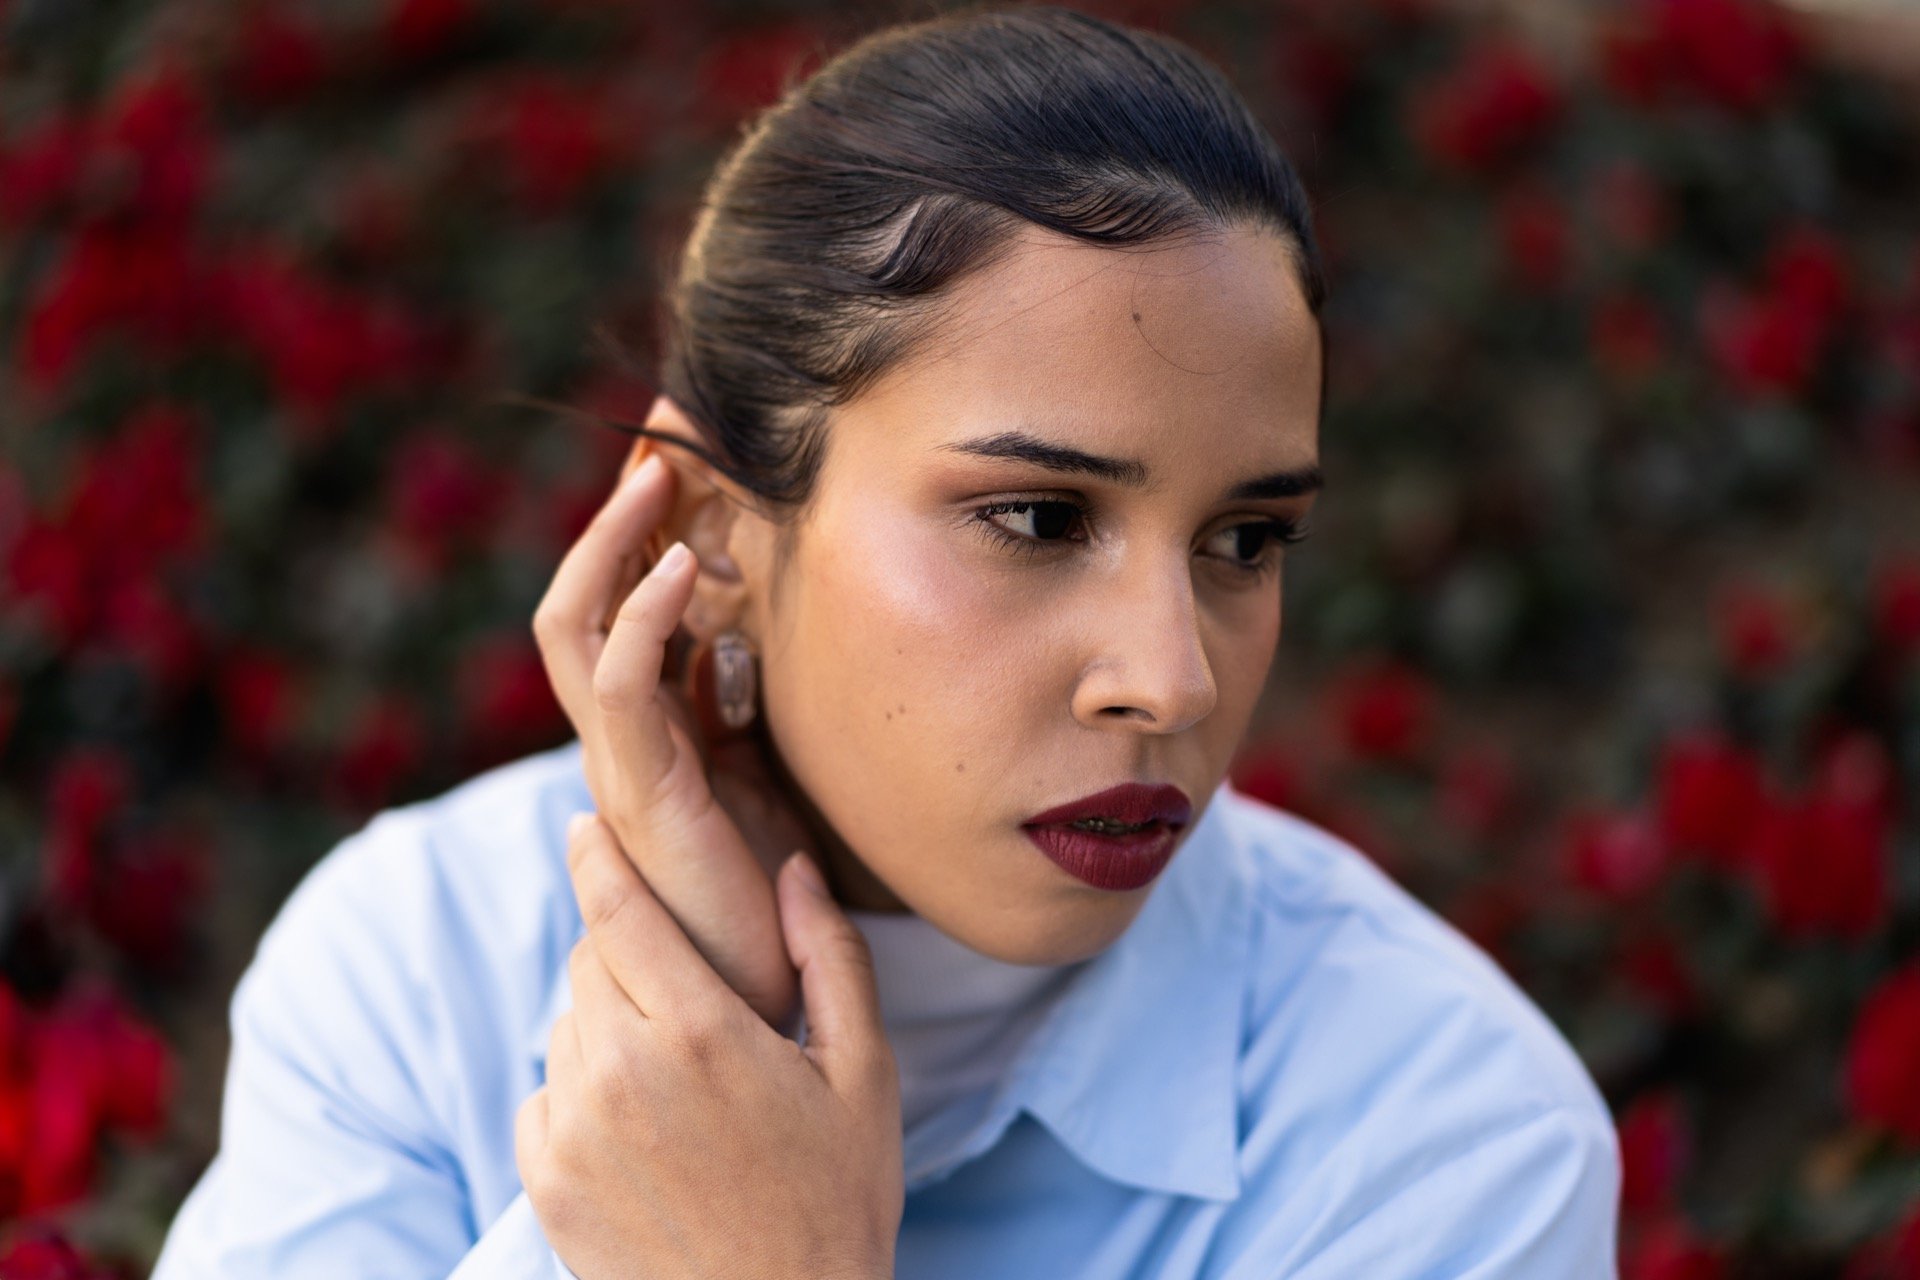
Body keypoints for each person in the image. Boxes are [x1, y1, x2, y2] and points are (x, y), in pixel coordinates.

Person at [149, 5, 1621, 1277]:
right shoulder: (426, 970)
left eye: (1246, 541)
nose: (1171, 679)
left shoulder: (1447, 1139)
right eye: (1039, 520)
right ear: (713, 533)